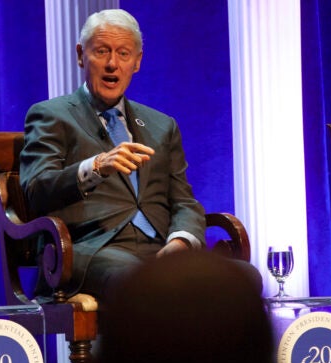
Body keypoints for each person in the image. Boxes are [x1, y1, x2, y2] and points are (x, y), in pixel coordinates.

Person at [20, 9, 206, 300]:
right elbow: (36, 191)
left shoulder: (162, 125)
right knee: (146, 282)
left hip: (159, 248)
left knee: (242, 278)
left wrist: (180, 241)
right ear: (82, 55)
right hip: (91, 249)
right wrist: (95, 166)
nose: (112, 64)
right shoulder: (51, 115)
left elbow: (184, 201)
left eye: (123, 53)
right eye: (102, 51)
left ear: (137, 62)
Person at [69, 250, 281, 363]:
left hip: (165, 250)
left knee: (245, 275)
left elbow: (186, 205)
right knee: (146, 286)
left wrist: (181, 239)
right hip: (101, 252)